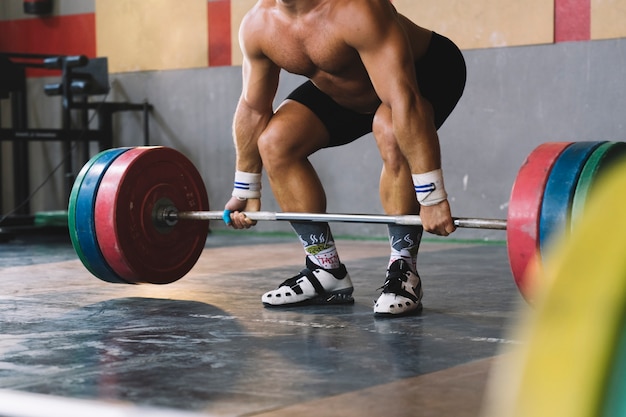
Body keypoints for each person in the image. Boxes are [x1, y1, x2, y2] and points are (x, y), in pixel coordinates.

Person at [223, 0, 466, 317]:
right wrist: (245, 189)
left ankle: (404, 269)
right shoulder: (258, 26)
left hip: (424, 73)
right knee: (275, 141)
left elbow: (403, 99)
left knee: (390, 129)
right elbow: (254, 109)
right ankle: (326, 272)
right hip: (345, 90)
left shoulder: (357, 10)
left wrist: (431, 196)